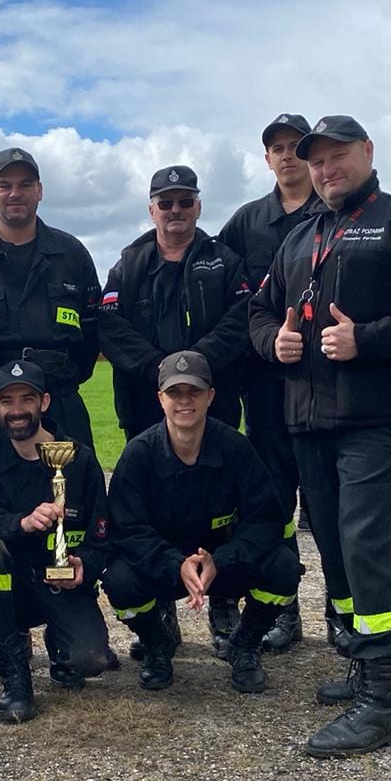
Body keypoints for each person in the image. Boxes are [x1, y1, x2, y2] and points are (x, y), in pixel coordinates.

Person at [248, 115, 391, 758]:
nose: (326, 169)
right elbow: (259, 310)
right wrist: (273, 341)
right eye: (316, 160)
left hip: (372, 416)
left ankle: (380, 705)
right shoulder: (300, 236)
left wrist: (366, 339)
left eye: (338, 155)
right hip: (306, 418)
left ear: (367, 151)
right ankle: (386, 662)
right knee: (335, 549)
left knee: (365, 545)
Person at [100, 164, 256, 657]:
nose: (175, 210)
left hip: (213, 405)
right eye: (165, 203)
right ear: (151, 210)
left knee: (221, 507)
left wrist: (194, 367)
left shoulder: (224, 260)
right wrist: (162, 371)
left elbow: (241, 319)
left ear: (198, 207)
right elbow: (110, 326)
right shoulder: (128, 264)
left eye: (185, 201)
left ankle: (223, 600)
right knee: (150, 508)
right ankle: (161, 603)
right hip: (146, 405)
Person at [104, 351, 300, 696]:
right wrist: (174, 563)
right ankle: (156, 644)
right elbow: (128, 530)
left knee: (284, 568)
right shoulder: (138, 454)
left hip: (222, 564)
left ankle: (244, 644)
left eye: (193, 392)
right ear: (160, 398)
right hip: (165, 567)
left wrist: (220, 560)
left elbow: (264, 521)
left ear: (210, 396)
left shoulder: (236, 449)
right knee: (119, 580)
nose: (184, 401)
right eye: (174, 392)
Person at [218, 114, 321, 652]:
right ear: (266, 159)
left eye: (295, 147)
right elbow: (225, 293)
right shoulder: (246, 222)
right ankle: (284, 608)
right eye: (276, 148)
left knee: (330, 503)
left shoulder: (337, 212)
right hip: (264, 385)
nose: (286, 156)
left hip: (328, 383)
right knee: (274, 503)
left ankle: (346, 612)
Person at [0, 356, 114, 715]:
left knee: (90, 659)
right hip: (11, 585)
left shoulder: (79, 459)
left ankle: (60, 641)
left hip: (61, 583)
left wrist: (85, 567)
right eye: (7, 401)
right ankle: (15, 667)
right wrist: (21, 523)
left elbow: (102, 532)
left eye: (27, 399)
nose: (17, 410)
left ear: (44, 402)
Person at [0, 148, 102, 450]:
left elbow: (92, 331)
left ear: (40, 190)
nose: (15, 193)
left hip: (60, 400)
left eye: (25, 184)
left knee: (71, 480)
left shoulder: (71, 254)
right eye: (5, 185)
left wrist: (63, 375)